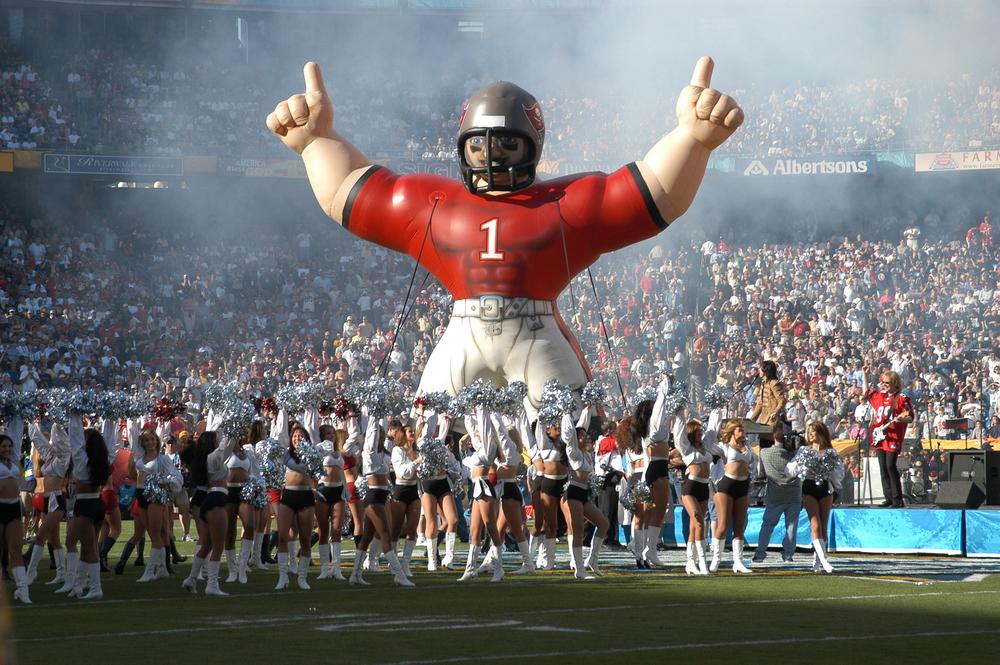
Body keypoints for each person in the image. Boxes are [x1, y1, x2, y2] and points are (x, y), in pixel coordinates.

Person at [266, 58, 743, 412]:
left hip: (529, 335)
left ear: (531, 147)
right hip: (484, 330)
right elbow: (348, 196)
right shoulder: (446, 204)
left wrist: (691, 139)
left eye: (506, 144)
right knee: (428, 437)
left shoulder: (547, 203)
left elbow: (654, 193)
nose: (492, 156)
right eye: (480, 146)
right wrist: (314, 142)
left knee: (567, 435)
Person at [786, 422, 844, 573]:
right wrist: (800, 463)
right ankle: (825, 561)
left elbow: (839, 473)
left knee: (823, 527)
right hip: (809, 488)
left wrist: (830, 470)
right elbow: (791, 469)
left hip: (826, 488)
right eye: (809, 432)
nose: (810, 434)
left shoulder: (831, 452)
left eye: (814, 431)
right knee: (815, 524)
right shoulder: (804, 450)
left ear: (821, 433)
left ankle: (817, 561)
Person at [862, 368, 914, 507]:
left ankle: (898, 499)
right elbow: (866, 393)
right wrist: (865, 375)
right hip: (880, 436)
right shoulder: (880, 396)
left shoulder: (902, 398)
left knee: (890, 466)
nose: (883, 384)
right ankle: (888, 497)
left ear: (895, 384)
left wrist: (900, 420)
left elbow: (909, 417)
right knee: (883, 467)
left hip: (893, 436)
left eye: (887, 383)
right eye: (882, 382)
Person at [752, 424, 802, 565]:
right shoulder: (794, 454)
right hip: (794, 493)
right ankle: (788, 555)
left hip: (775, 494)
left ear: (774, 437)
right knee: (791, 526)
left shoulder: (764, 453)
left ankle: (760, 553)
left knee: (767, 525)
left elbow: (760, 474)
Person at [749, 360, 787, 448]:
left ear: (766, 371)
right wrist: (751, 420)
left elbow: (782, 400)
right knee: (763, 447)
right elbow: (760, 404)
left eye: (760, 368)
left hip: (773, 422)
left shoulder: (774, 383)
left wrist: (776, 412)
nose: (759, 370)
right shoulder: (763, 384)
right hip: (764, 421)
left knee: (770, 445)